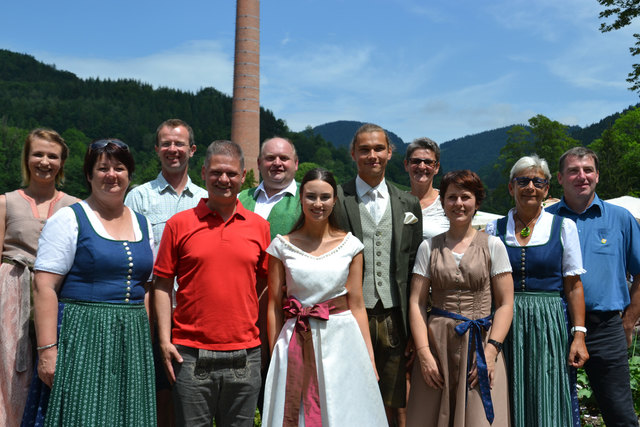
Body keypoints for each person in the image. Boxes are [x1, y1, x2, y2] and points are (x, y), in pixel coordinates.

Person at [22, 139, 156, 425]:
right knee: (83, 415)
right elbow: (44, 286)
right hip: (83, 337)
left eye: (119, 168)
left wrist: (146, 342)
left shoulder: (142, 223)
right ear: (89, 174)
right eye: (103, 168)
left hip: (132, 339)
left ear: (129, 174)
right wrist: (47, 351)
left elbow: (145, 288)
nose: (111, 175)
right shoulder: (69, 219)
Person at [153, 140, 270, 427]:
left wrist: (261, 337)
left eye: (231, 173)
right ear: (204, 173)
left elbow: (265, 287)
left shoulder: (259, 226)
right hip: (190, 353)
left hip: (246, 353)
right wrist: (165, 340)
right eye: (216, 172)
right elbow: (162, 285)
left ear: (244, 176)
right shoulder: (179, 224)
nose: (224, 180)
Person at [262, 168, 387, 426]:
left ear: (334, 200)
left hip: (343, 341)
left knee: (345, 410)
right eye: (311, 197)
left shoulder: (351, 246)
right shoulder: (281, 246)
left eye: (325, 197)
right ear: (300, 198)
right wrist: (276, 353)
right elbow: (274, 304)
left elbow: (357, 305)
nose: (318, 204)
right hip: (295, 338)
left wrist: (369, 358)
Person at [485, 155, 588, 426]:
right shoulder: (492, 229)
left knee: (547, 389)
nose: (530, 186)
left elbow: (574, 286)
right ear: (511, 187)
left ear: (546, 190)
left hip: (549, 322)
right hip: (503, 322)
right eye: (523, 181)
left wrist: (579, 335)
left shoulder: (564, 227)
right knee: (507, 390)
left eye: (537, 181)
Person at [406, 170, 514, 427]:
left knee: (478, 417)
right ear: (443, 203)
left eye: (466, 197)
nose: (459, 204)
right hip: (436, 345)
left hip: (481, 344)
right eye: (451, 197)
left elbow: (506, 303)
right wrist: (423, 353)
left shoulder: (493, 246)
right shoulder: (428, 247)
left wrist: (490, 351)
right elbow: (416, 302)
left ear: (477, 202)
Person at [334, 123, 422, 425]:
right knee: (350, 393)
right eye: (365, 149)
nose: (372, 155)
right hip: (348, 314)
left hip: (395, 314)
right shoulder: (336, 198)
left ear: (390, 152)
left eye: (378, 149)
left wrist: (413, 322)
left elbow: (413, 266)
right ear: (353, 154)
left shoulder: (408, 203)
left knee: (397, 400)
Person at [546, 147, 640, 427]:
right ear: (561, 178)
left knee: (620, 412)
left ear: (597, 176)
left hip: (606, 327)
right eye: (573, 171)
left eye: (587, 170)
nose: (581, 176)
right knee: (552, 407)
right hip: (557, 325)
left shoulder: (620, 218)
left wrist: (629, 321)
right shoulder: (547, 220)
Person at [124, 119, 206, 427]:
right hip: (150, 309)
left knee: (191, 392)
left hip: (194, 311)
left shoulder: (205, 198)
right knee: (153, 390)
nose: (173, 150)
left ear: (192, 150)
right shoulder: (139, 197)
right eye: (167, 144)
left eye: (180, 144)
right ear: (157, 149)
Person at [0, 129, 76, 426]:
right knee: (9, 368)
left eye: (52, 156)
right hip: (12, 293)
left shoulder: (74, 206)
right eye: (38, 154)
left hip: (57, 294)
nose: (44, 161)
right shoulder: (6, 202)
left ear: (62, 163)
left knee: (51, 366)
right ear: (27, 158)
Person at [238, 136, 300, 240]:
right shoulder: (239, 198)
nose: (277, 163)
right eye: (270, 158)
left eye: (284, 158)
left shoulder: (308, 198)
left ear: (296, 164)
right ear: (258, 163)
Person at [404, 137, 449, 239]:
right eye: (416, 161)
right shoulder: (396, 202)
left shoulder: (447, 202)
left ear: (436, 167)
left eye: (428, 162)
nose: (422, 166)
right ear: (406, 165)